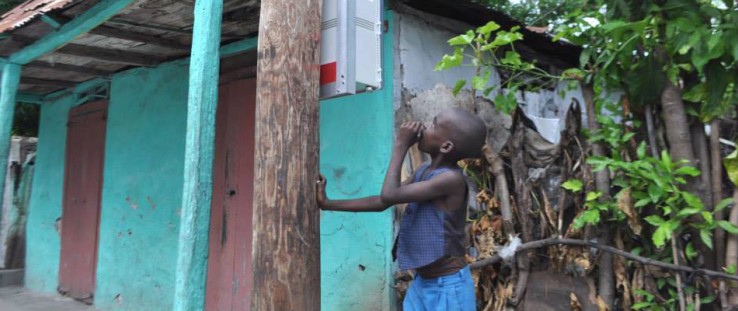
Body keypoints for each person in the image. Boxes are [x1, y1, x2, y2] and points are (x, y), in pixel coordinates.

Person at [316, 107, 487, 310]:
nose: (423, 127)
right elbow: (383, 201)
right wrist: (328, 204)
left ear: (446, 146)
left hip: (448, 288)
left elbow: (389, 194)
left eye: (433, 124)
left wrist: (401, 146)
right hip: (424, 283)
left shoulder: (451, 179)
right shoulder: (425, 171)